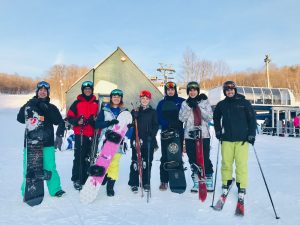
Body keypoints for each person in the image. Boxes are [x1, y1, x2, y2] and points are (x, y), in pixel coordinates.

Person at [17, 81, 65, 198]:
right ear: (37, 91)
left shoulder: (52, 107)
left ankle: (55, 189)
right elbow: (20, 118)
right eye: (40, 90)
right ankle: (26, 191)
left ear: (48, 93)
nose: (43, 92)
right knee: (28, 168)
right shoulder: (30, 104)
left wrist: (46, 108)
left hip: (47, 143)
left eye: (45, 90)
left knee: (50, 167)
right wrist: (31, 104)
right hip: (31, 143)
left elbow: (58, 121)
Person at [213, 81, 256, 202]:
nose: (230, 92)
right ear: (224, 92)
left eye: (231, 90)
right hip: (226, 139)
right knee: (226, 163)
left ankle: (241, 186)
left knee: (241, 164)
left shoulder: (244, 103)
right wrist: (218, 130)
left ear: (235, 90)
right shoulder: (222, 104)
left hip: (242, 139)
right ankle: (226, 183)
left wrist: (252, 134)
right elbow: (216, 118)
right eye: (227, 90)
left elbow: (252, 119)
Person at [95, 89, 132, 197]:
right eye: (114, 96)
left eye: (118, 97)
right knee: (104, 161)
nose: (116, 98)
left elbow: (129, 130)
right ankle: (104, 175)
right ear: (111, 98)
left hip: (118, 142)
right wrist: (109, 123)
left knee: (114, 164)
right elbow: (97, 124)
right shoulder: (105, 110)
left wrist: (129, 127)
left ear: (121, 99)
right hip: (106, 141)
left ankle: (110, 187)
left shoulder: (124, 112)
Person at [179, 81, 214, 192]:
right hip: (190, 135)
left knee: (205, 158)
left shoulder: (204, 101)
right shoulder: (185, 103)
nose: (192, 92)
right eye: (190, 90)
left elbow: (209, 117)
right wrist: (189, 106)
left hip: (203, 135)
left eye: (194, 90)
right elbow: (181, 118)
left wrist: (198, 106)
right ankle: (197, 181)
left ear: (198, 91)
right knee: (193, 159)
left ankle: (208, 180)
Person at [67, 81, 99, 190]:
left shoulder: (96, 103)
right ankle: (77, 179)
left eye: (89, 89)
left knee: (89, 157)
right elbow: (69, 117)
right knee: (79, 157)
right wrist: (77, 121)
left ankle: (86, 177)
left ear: (92, 90)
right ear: (83, 90)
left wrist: (95, 120)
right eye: (85, 89)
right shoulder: (77, 103)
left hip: (93, 134)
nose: (87, 90)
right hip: (80, 134)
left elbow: (100, 118)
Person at [128, 90, 159, 193]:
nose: (144, 100)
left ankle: (146, 182)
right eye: (143, 98)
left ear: (149, 100)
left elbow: (156, 125)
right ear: (140, 99)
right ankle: (134, 183)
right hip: (136, 140)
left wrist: (152, 135)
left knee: (147, 162)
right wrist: (134, 117)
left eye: (147, 99)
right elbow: (129, 124)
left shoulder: (153, 112)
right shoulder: (135, 111)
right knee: (135, 162)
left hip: (148, 141)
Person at [156, 81, 185, 191]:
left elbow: (188, 111)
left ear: (175, 90)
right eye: (168, 90)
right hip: (166, 133)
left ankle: (177, 178)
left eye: (172, 89)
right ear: (166, 91)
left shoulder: (181, 102)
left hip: (178, 133)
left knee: (177, 155)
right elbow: (159, 117)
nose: (170, 91)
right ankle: (164, 181)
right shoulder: (161, 103)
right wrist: (168, 123)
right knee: (165, 156)